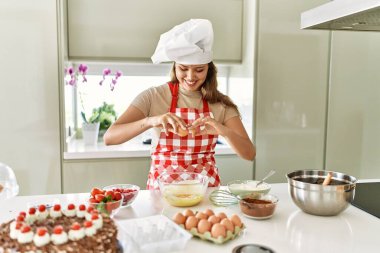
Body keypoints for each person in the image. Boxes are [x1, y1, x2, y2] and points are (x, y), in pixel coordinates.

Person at [104, 19, 256, 189]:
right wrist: (151, 121)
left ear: (209, 69)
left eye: (199, 70)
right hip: (162, 195)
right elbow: (109, 138)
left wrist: (223, 130)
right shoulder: (153, 96)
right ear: (174, 66)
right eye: (183, 69)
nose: (190, 77)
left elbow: (249, 154)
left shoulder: (221, 105)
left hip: (205, 195)